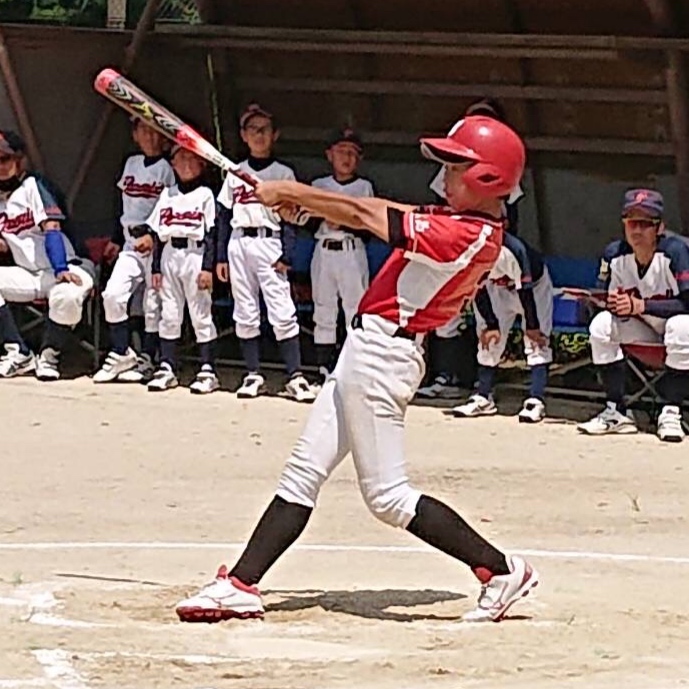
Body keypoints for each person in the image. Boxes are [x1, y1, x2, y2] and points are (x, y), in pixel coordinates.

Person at [175, 115, 539, 624]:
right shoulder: (463, 221)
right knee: (304, 471)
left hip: (383, 357)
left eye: (457, 167)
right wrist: (305, 203)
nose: (444, 175)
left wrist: (291, 190)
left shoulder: (469, 234)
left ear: (487, 179)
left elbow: (365, 212)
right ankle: (241, 583)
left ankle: (500, 571)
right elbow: (383, 211)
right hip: (368, 349)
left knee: (388, 497)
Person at [419, 97, 525, 399]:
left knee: (484, 315)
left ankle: (479, 386)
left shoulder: (503, 164)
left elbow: (510, 215)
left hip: (485, 247)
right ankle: (446, 378)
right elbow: (442, 207)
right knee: (444, 316)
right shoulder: (451, 165)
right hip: (452, 244)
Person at [216, 104, 314, 402]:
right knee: (245, 311)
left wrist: (288, 254)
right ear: (244, 135)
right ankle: (253, 374)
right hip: (239, 241)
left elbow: (292, 219)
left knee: (281, 310)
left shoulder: (283, 173)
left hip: (269, 241)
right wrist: (220, 257)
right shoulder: (235, 172)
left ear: (275, 135)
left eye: (264, 130)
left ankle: (295, 376)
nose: (259, 135)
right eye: (253, 129)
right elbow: (223, 216)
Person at [577, 189, 689, 442]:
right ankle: (616, 411)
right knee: (601, 325)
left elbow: (687, 303)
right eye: (631, 222)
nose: (636, 230)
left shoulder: (676, 252)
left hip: (678, 331)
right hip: (645, 330)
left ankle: (671, 412)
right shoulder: (614, 254)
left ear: (659, 228)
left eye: (645, 223)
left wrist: (640, 306)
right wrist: (604, 303)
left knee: (682, 326)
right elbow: (601, 295)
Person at [0, 129, 95, 380]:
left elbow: (52, 228)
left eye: (4, 159)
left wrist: (61, 268)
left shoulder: (35, 185)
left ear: (20, 160)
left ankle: (49, 354)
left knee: (67, 296)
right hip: (29, 274)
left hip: (69, 266)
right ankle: (18, 352)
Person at [93, 117, 175, 384]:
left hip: (158, 246)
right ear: (135, 135)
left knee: (152, 306)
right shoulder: (131, 163)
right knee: (112, 295)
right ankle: (122, 352)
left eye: (154, 131)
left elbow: (175, 207)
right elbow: (122, 205)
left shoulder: (168, 168)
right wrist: (117, 238)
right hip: (130, 243)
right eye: (143, 131)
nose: (150, 137)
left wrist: (154, 235)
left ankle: (148, 359)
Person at [452, 234, 553, 422]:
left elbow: (525, 291)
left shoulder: (513, 249)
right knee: (488, 339)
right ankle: (484, 396)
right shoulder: (469, 248)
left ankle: (536, 399)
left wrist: (532, 325)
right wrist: (491, 324)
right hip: (497, 287)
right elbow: (476, 288)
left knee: (537, 341)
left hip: (534, 288)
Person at [144, 145, 219, 393]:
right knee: (169, 313)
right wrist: (156, 268)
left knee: (200, 313)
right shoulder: (167, 193)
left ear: (202, 164)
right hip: (169, 253)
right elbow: (157, 234)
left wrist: (207, 267)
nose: (186, 163)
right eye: (180, 158)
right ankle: (167, 366)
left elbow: (211, 234)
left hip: (195, 253)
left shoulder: (206, 194)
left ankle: (207, 369)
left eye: (192, 158)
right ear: (172, 163)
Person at [309, 127, 374, 379]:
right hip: (324, 249)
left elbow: (368, 227)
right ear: (330, 155)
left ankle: (355, 368)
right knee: (323, 309)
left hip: (351, 249)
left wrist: (344, 222)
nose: (346, 158)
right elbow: (307, 221)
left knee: (355, 310)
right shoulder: (319, 185)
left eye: (352, 153)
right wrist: (324, 217)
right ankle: (324, 368)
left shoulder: (363, 187)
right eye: (341, 151)